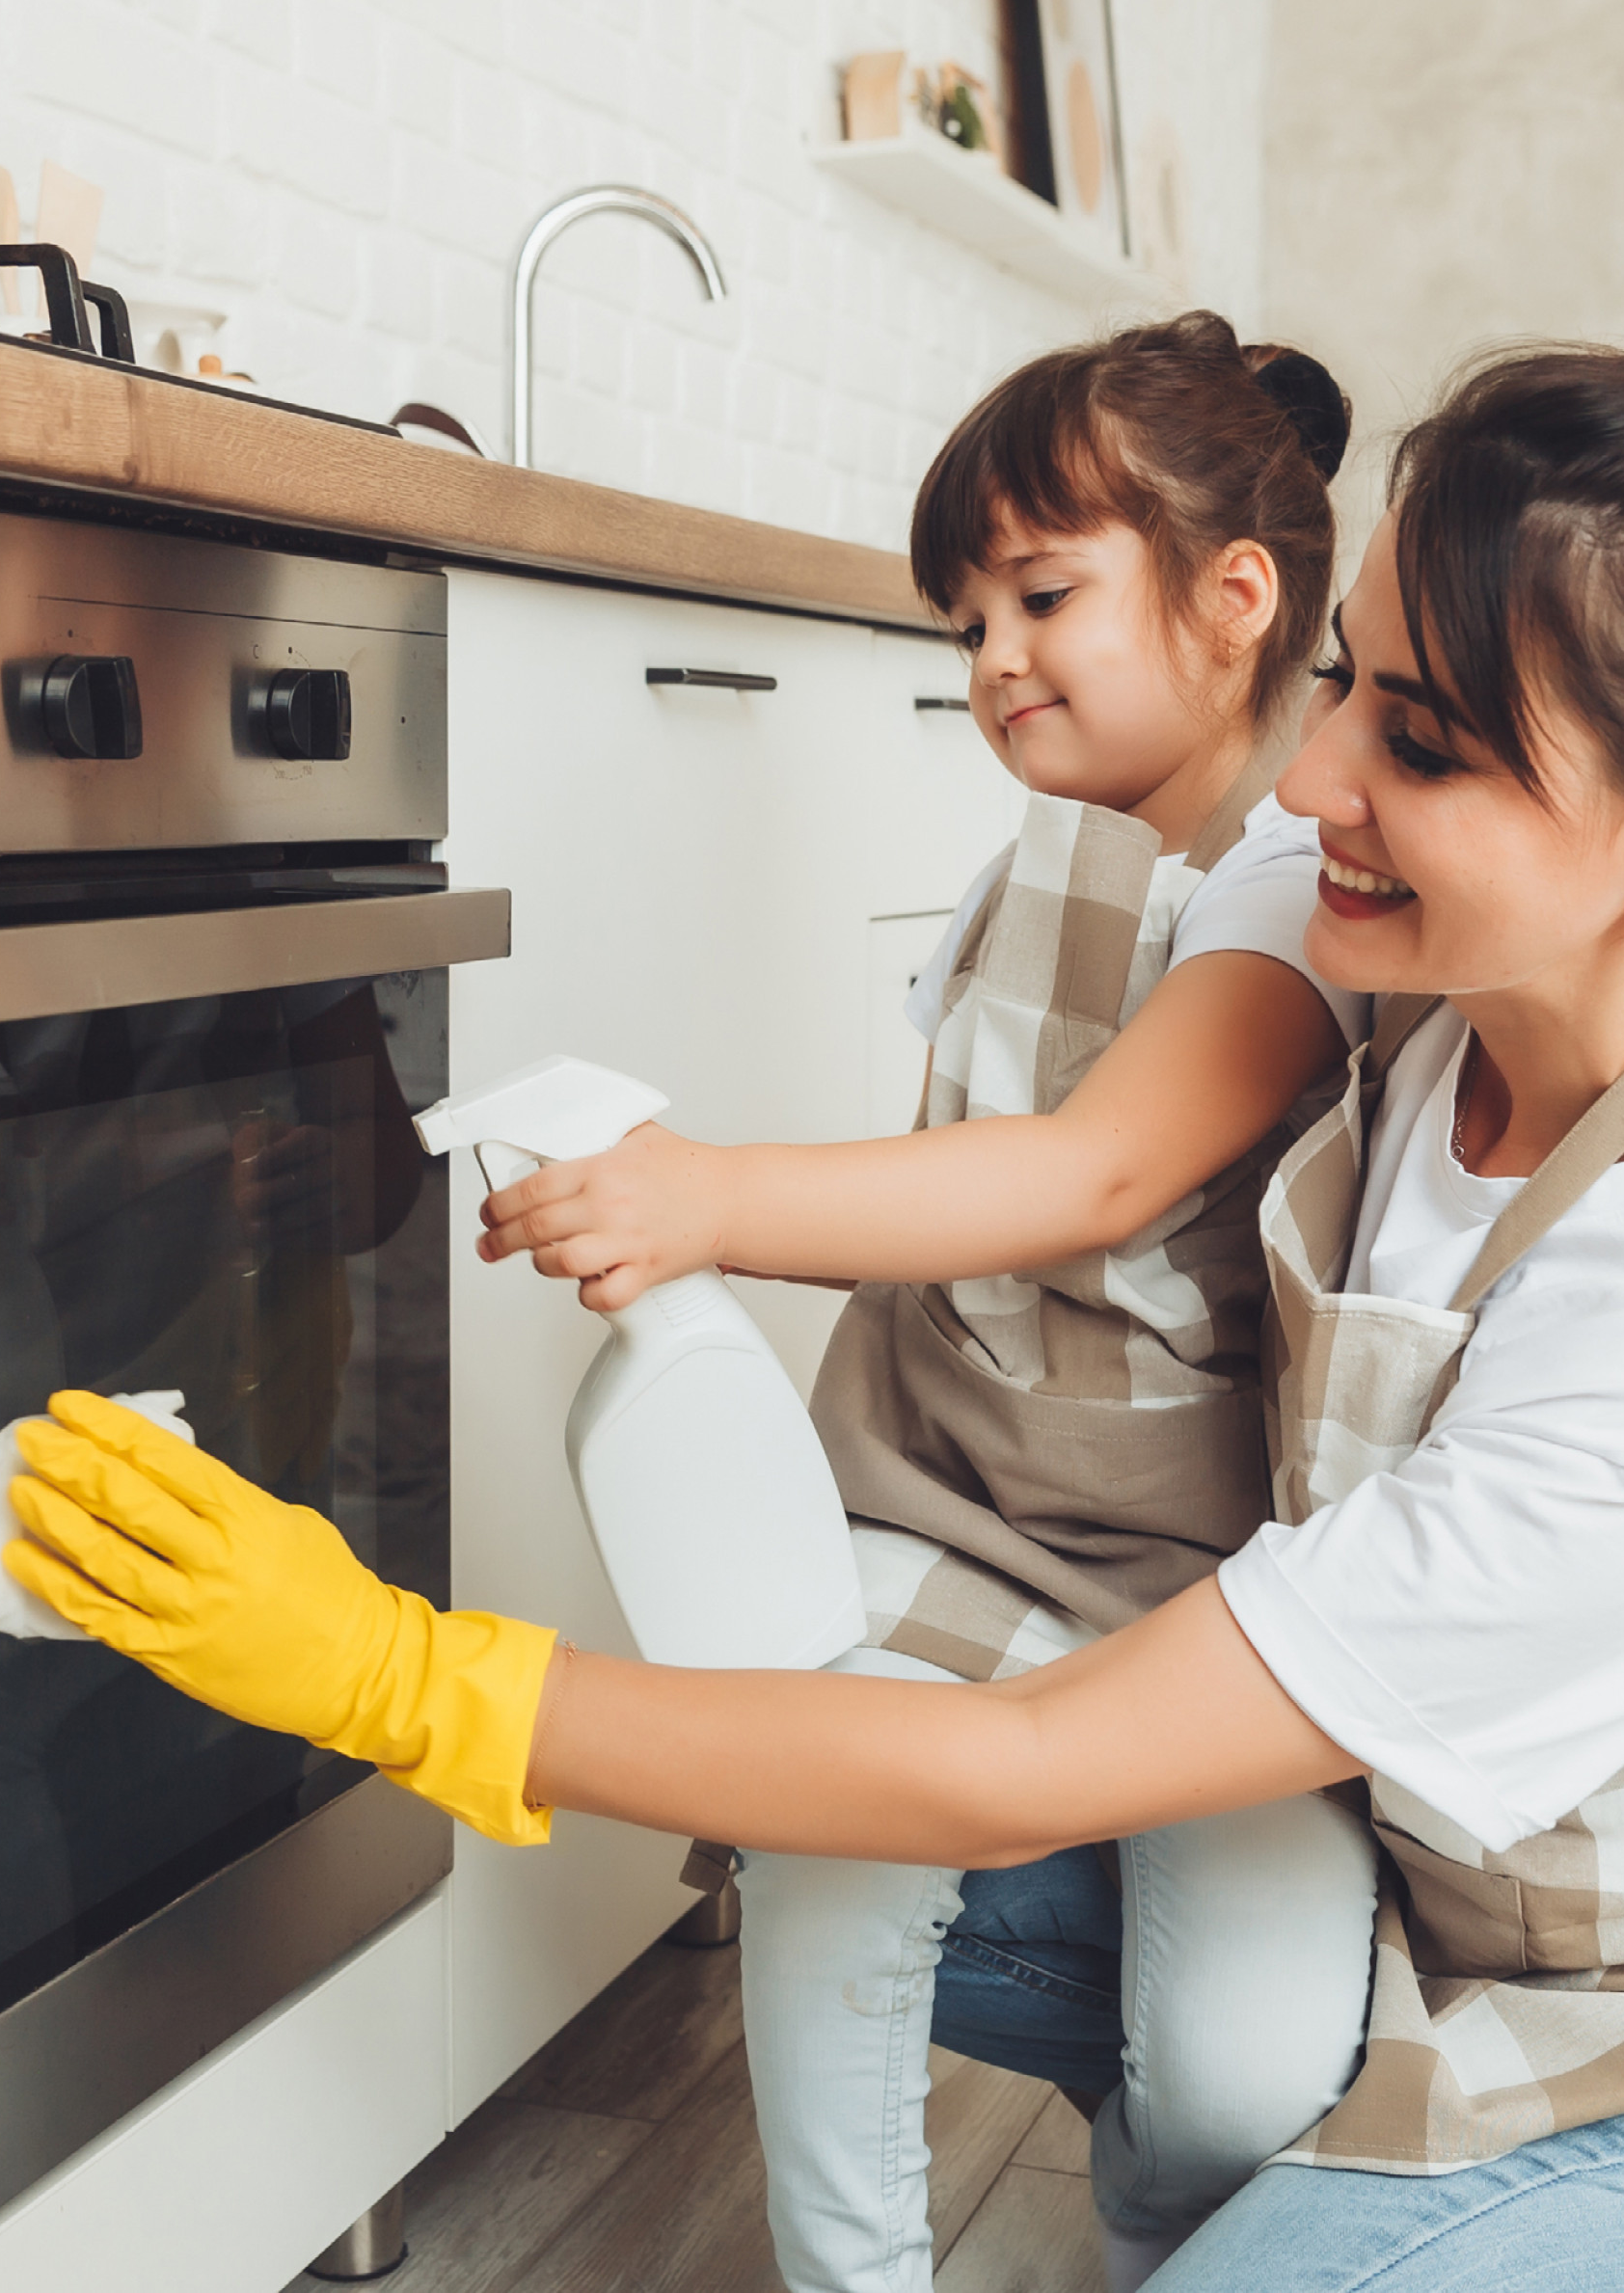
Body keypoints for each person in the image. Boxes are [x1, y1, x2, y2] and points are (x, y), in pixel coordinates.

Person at [0, 252, 1624, 2293]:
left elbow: (1021, 1765)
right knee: (789, 1813)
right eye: (1353, 683)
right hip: (1454, 1873)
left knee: (892, 1804)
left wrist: (396, 1675)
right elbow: (1077, 1167)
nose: (1313, 770)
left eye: (1417, 743)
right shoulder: (1402, 954)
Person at [482, 312, 1387, 2293]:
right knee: (825, 1856)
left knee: (1242, 2069)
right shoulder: (1066, 842)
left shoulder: (1308, 882)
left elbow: (1095, 1171)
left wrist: (711, 1195)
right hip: (950, 1508)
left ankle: (1163, 2246)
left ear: (1238, 601)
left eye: (1040, 596)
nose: (987, 661)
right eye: (961, 617)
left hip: (1210, 1598)